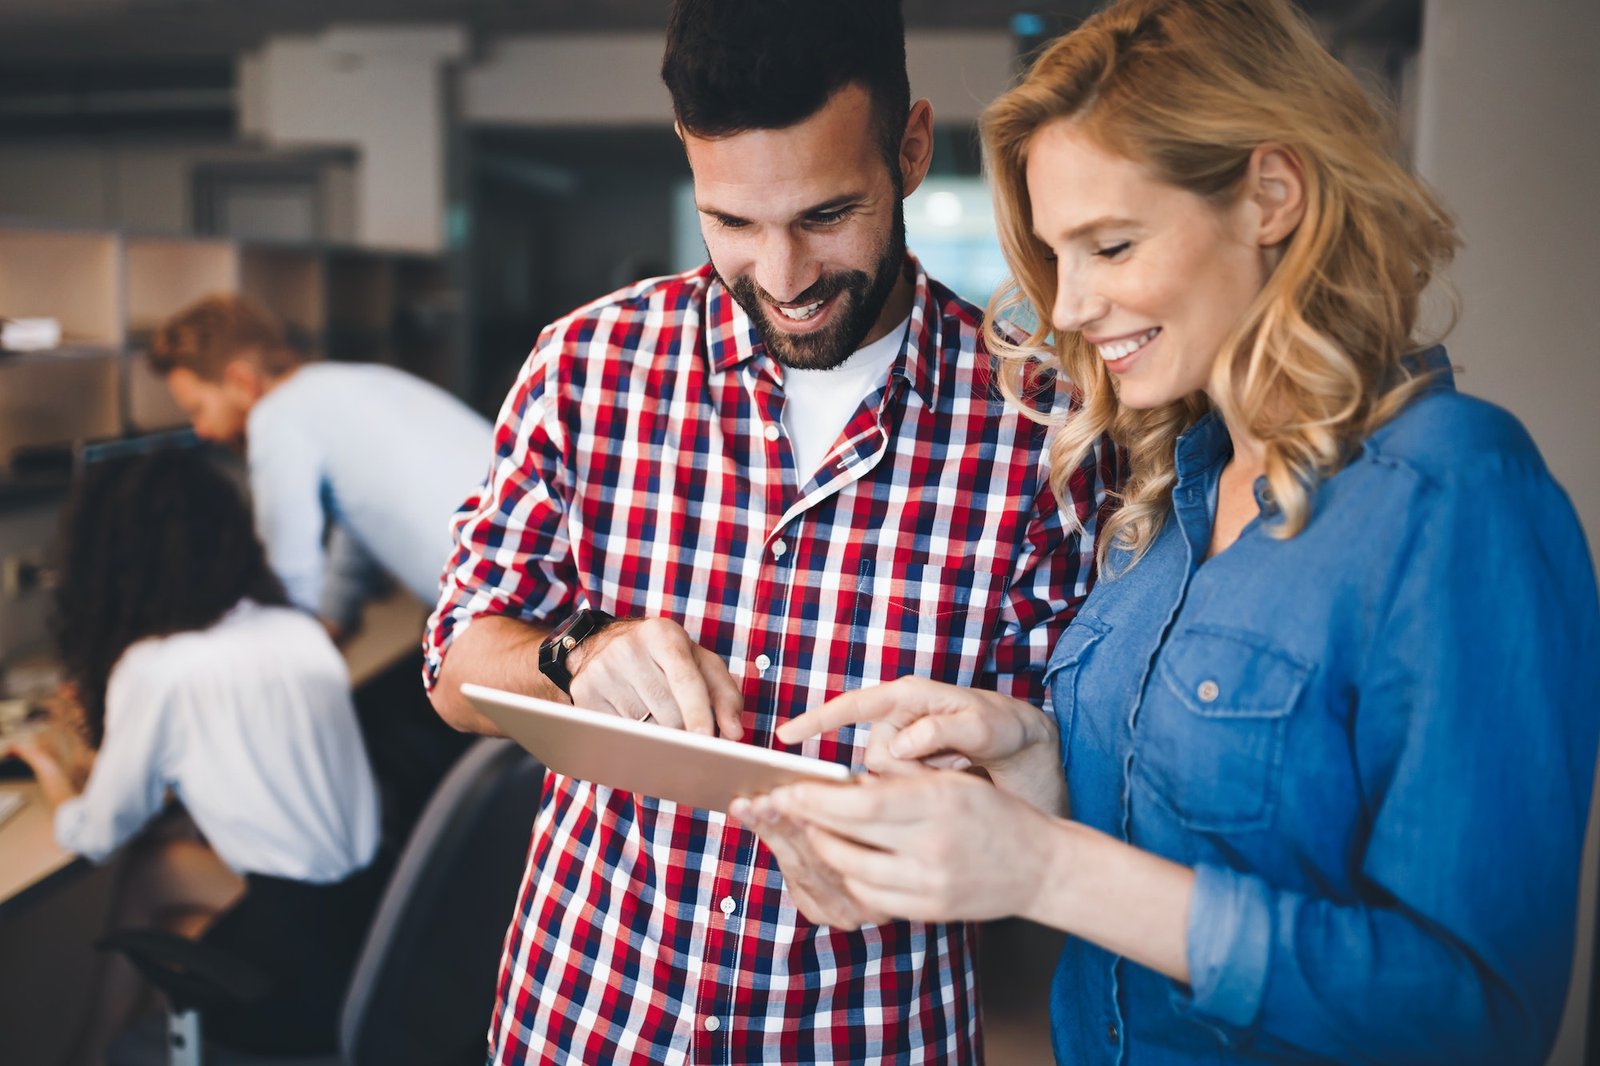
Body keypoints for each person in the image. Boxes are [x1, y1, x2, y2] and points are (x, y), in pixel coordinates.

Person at [744, 0, 1600, 1063]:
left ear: (1270, 197)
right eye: (1057, 256)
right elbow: (1199, 813)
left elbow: (1478, 1012)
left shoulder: (1452, 496)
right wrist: (1033, 769)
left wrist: (1047, 867)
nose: (1072, 305)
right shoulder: (1166, 498)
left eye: (1111, 245)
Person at [424, 0, 1115, 1060]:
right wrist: (575, 653)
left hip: (864, 1029)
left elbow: (1068, 769)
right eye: (733, 224)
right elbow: (454, 661)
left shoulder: (1045, 425)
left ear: (913, 149)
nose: (783, 279)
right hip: (585, 1014)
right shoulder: (587, 364)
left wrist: (931, 832)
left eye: (825, 215)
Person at [5, 447, 382, 1062]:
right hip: (364, 924)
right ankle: (97, 1050)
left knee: (150, 902)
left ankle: (99, 1050)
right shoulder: (293, 630)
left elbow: (94, 836)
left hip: (303, 975)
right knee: (154, 869)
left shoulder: (159, 666)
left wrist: (50, 766)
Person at [148, 293, 493, 641]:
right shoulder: (349, 381)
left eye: (198, 409)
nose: (199, 430)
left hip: (500, 609)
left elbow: (287, 582)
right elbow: (361, 516)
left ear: (240, 381)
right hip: (530, 587)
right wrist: (333, 621)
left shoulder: (275, 417)